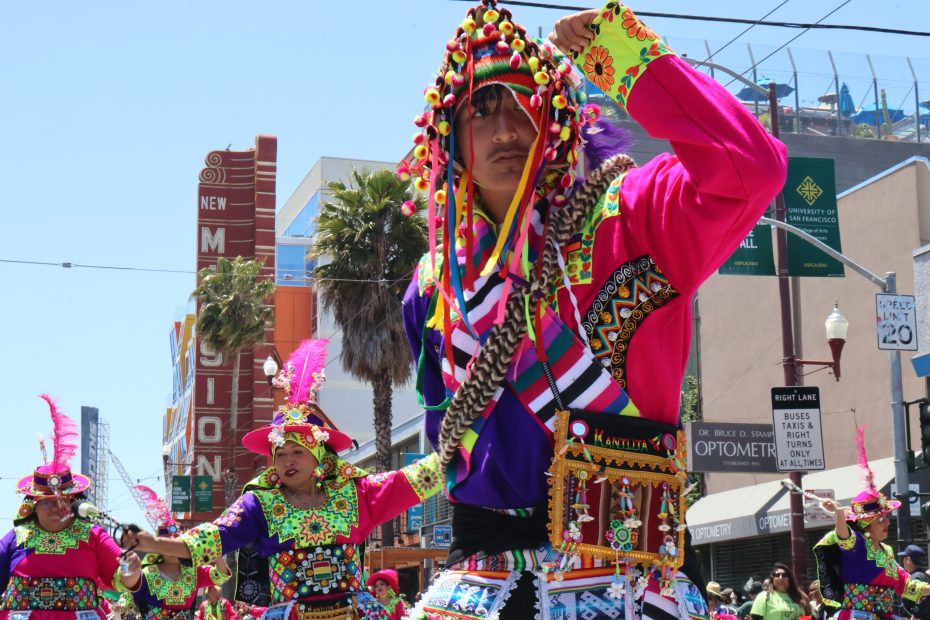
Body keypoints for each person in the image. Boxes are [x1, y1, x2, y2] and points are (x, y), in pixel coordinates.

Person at [401, 0, 787, 618]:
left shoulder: (635, 215)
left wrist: (618, 47)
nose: (504, 129)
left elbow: (751, 169)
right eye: (479, 108)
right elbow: (445, 438)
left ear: (557, 119)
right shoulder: (431, 286)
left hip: (631, 578)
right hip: (479, 587)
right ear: (448, 138)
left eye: (524, 106)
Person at [122, 339, 443, 620]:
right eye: (279, 453)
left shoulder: (355, 492)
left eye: (297, 452)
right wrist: (151, 543)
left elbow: (412, 480)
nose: (287, 460)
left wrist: (458, 448)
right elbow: (210, 538)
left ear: (319, 454)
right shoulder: (262, 503)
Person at [0, 395, 143, 620]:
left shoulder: (92, 535)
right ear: (33, 505)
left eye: (64, 501)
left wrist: (130, 569)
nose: (58, 507)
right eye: (48, 501)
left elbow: (123, 579)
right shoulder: (15, 538)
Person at [814, 427, 930, 620]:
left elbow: (909, 587)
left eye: (886, 517)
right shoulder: (858, 544)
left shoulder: (887, 552)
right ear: (867, 524)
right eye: (881, 519)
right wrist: (839, 514)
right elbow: (844, 537)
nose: (888, 523)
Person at [129, 486, 231, 620]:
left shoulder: (194, 572)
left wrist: (214, 550)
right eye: (168, 544)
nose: (173, 549)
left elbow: (222, 575)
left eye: (177, 543)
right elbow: (128, 592)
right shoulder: (147, 574)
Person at [898, 545, 930, 620]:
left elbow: (925, 601)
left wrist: (915, 616)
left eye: (904, 558)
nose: (903, 561)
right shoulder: (923, 575)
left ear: (908, 559)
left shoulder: (916, 577)